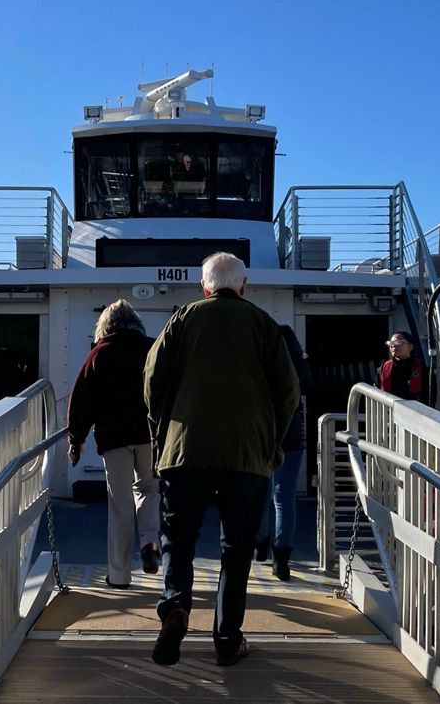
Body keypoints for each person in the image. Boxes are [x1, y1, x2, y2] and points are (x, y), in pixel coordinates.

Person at [144, 252, 299, 668]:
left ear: (204, 286)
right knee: (236, 551)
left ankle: (175, 609)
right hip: (246, 457)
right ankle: (227, 641)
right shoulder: (265, 325)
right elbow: (288, 392)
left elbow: (153, 380)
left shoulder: (182, 319)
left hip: (185, 451)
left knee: (178, 542)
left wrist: (162, 435)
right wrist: (270, 443)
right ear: (243, 285)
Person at [67, 300, 160, 589]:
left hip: (114, 439)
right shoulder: (153, 348)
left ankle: (119, 576)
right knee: (148, 490)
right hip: (150, 436)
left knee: (120, 503)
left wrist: (76, 439)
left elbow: (81, 400)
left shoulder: (99, 354)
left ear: (105, 326)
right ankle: (150, 543)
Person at [254, 325, 309, 581]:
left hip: (262, 437)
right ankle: (281, 560)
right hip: (293, 438)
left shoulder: (260, 365)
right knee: (284, 498)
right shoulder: (299, 366)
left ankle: (259, 544)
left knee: (260, 494)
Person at [378, 331, 428, 404]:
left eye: (398, 342)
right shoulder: (383, 369)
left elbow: (429, 398)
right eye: (391, 343)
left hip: (415, 411)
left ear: (410, 346)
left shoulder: (423, 369)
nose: (393, 346)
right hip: (389, 411)